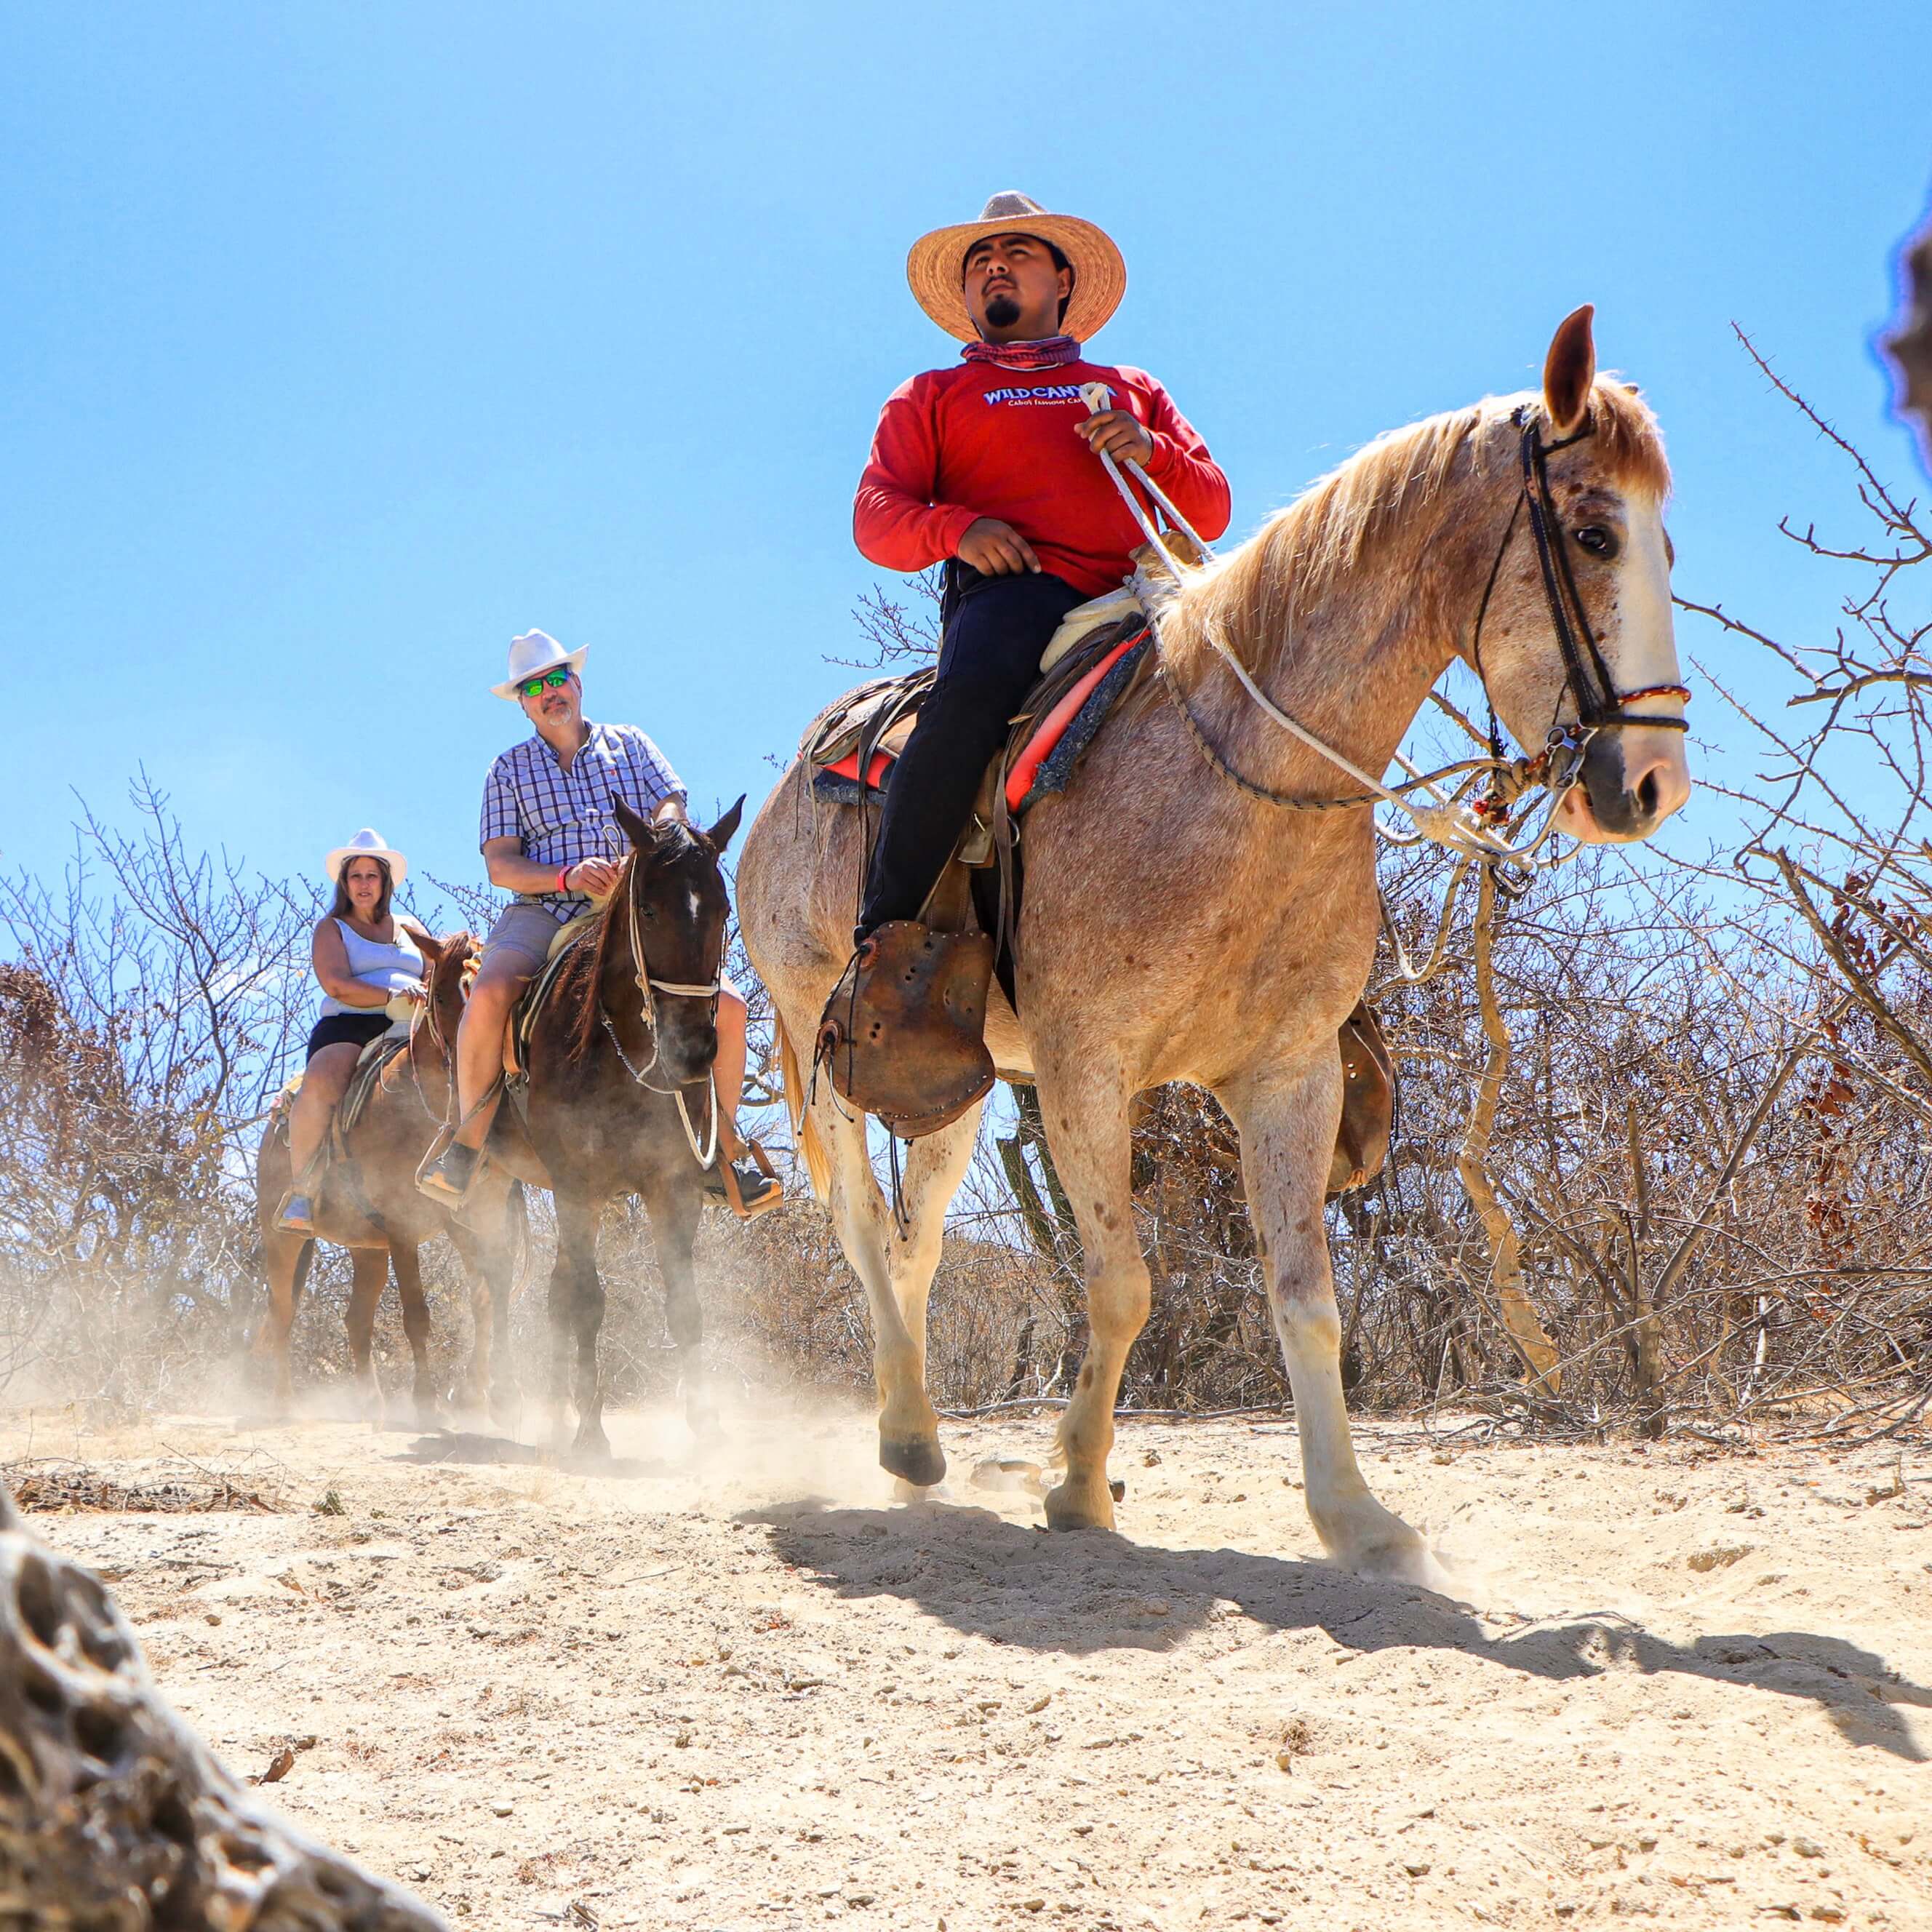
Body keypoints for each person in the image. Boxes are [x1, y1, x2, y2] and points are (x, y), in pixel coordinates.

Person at [849, 191, 1232, 943]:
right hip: (1015, 598)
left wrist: (1152, 452)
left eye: (1016, 253)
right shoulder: (932, 394)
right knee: (965, 707)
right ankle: (885, 938)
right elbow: (876, 516)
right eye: (980, 262)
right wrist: (959, 529)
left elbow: (1211, 509)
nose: (994, 267)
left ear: (1062, 281)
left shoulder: (1133, 388)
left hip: (1147, 594)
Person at [417, 629, 779, 1216]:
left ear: (577, 683)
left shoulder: (630, 743)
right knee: (489, 992)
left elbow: (670, 804)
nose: (550, 693)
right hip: (545, 910)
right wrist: (568, 876)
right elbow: (501, 865)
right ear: (522, 703)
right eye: (534, 687)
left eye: (558, 678)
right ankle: (467, 1142)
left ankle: (723, 1152)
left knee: (731, 1007)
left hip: (633, 910)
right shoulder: (507, 770)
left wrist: (656, 843)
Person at [276, 829, 431, 1234]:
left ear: (385, 881)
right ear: (344, 883)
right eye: (356, 876)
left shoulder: (410, 925)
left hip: (414, 1024)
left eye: (372, 875)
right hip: (352, 1023)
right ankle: (302, 1190)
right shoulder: (332, 928)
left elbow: (434, 971)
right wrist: (392, 994)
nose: (364, 884)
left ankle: (468, 1160)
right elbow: (336, 984)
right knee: (324, 1078)